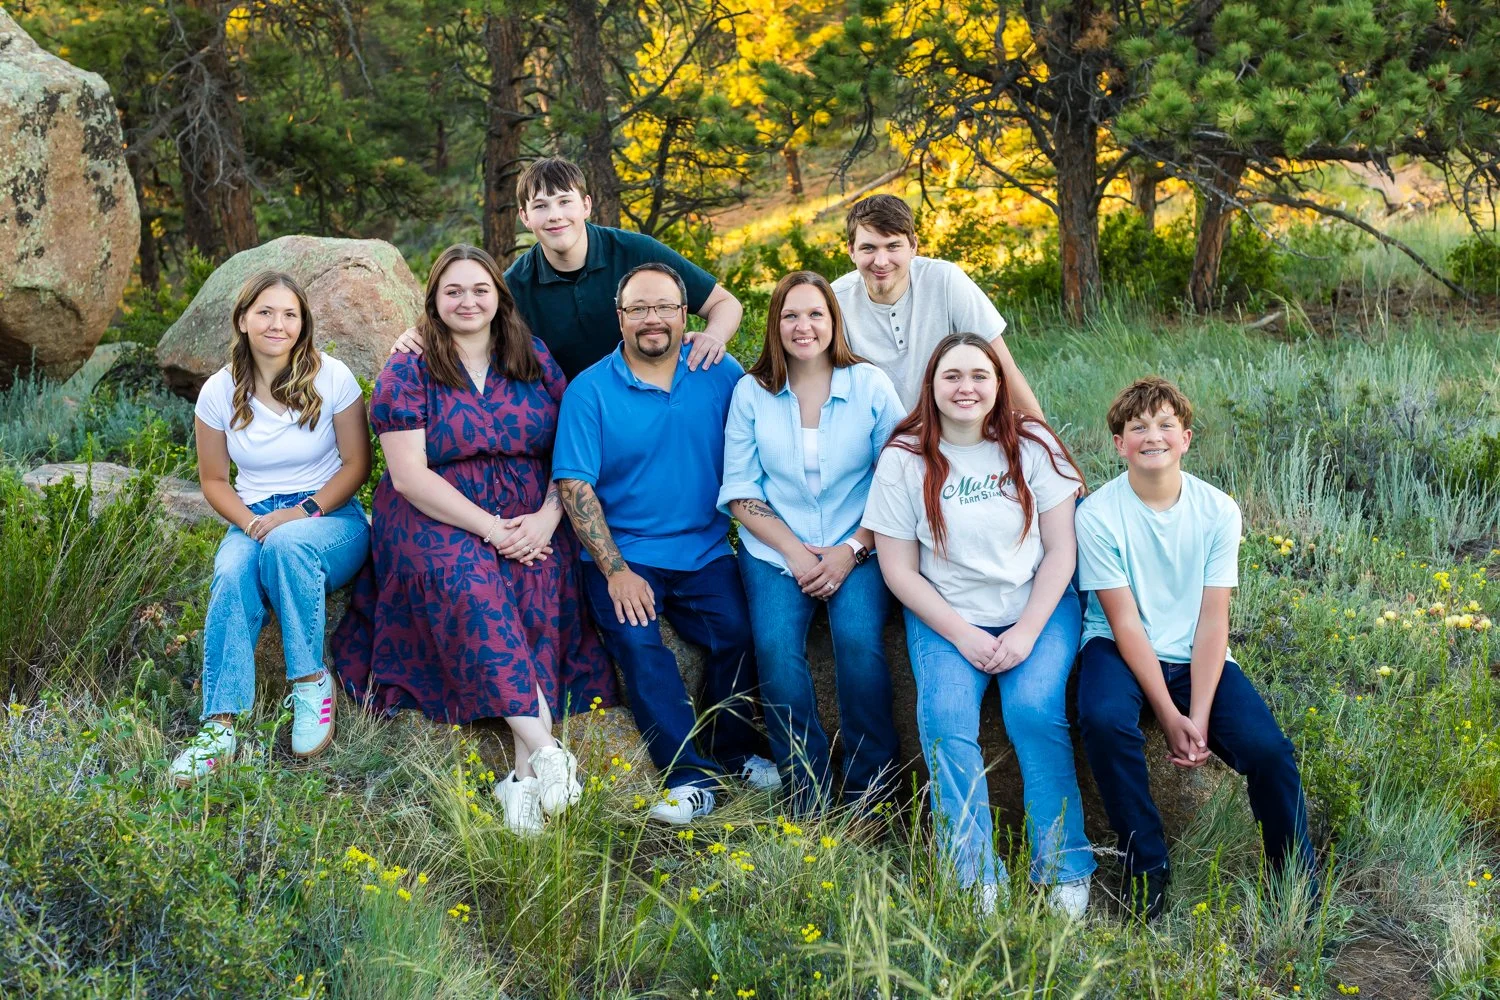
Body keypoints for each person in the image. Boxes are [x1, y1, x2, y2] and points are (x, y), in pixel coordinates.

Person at [332, 244, 617, 836]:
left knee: (536, 583)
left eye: (480, 289)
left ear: (499, 297)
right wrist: (488, 528)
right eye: (453, 291)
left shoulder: (532, 356)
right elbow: (409, 475)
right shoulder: (409, 366)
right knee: (468, 581)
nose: (468, 301)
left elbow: (570, 447)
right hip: (433, 512)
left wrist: (546, 517)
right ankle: (545, 750)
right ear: (433, 301)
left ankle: (519, 781)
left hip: (529, 512)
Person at [862, 332, 1094, 919]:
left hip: (1035, 606)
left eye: (979, 376)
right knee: (943, 720)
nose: (966, 388)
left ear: (998, 383)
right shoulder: (905, 458)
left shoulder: (1033, 444)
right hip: (947, 615)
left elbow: (1062, 553)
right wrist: (965, 635)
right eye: (952, 376)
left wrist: (1023, 633)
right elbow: (898, 570)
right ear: (931, 386)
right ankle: (974, 874)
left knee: (1034, 711)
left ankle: (1064, 865)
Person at [1075, 376, 1317, 921]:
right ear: (1119, 444)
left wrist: (1199, 718)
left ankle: (1293, 880)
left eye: (1165, 425)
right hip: (1118, 645)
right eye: (1138, 427)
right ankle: (1147, 863)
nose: (1151, 436)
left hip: (1194, 649)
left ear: (1186, 438)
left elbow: (1213, 620)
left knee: (1270, 752)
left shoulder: (1217, 511)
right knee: (1103, 716)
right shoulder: (1096, 515)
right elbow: (1124, 621)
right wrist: (1168, 713)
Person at [554, 262, 779, 825]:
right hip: (626, 553)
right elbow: (575, 485)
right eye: (638, 310)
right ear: (620, 318)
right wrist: (615, 570)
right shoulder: (590, 390)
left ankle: (733, 751)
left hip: (705, 549)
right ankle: (687, 776)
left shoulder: (718, 370)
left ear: (685, 315)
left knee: (740, 631)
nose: (651, 320)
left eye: (663, 308)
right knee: (639, 643)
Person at [172, 271, 371, 787]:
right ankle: (219, 726)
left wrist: (302, 513)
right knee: (232, 570)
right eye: (265, 312)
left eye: (289, 314)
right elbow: (214, 480)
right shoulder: (218, 391)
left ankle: (308, 681)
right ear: (243, 319)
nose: (277, 324)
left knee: (287, 546)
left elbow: (356, 466)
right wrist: (252, 524)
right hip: (254, 517)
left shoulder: (333, 377)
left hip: (330, 518)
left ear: (302, 323)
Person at [717, 271, 904, 814]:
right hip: (776, 550)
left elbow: (896, 481)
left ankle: (871, 787)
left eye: (815, 314)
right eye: (791, 315)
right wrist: (798, 554)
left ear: (833, 321)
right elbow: (741, 491)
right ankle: (809, 790)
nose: (804, 326)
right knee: (775, 650)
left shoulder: (869, 385)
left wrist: (852, 549)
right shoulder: (752, 392)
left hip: (860, 542)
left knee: (858, 641)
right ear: (774, 324)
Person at [390, 156, 743, 379]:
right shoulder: (516, 284)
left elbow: (725, 304)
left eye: (564, 202)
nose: (555, 215)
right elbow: (467, 315)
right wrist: (418, 332)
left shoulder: (638, 252)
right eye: (541, 206)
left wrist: (713, 337)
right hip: (575, 418)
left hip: (658, 393)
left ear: (586, 205)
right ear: (525, 217)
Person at [832, 194, 1043, 416]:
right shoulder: (835, 300)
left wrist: (1046, 442)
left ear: (913, 246)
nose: (881, 261)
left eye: (893, 246)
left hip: (952, 428)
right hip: (879, 437)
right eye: (868, 248)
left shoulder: (944, 279)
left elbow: (1003, 367)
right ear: (851, 250)